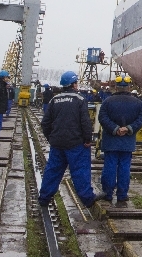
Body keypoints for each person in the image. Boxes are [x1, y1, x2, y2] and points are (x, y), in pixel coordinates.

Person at [38, 71, 97, 208]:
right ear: (73, 84)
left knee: (52, 171)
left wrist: (51, 138)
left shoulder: (54, 100)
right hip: (76, 144)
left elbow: (45, 123)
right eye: (76, 82)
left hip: (57, 144)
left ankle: (44, 198)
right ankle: (87, 199)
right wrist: (87, 139)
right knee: (80, 171)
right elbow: (85, 122)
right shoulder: (80, 100)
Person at [97, 75, 142, 207]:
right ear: (129, 87)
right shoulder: (137, 103)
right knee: (125, 168)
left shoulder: (108, 101)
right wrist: (128, 128)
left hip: (111, 141)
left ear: (116, 87)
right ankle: (122, 195)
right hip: (127, 141)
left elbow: (102, 117)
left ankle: (107, 194)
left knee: (110, 166)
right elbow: (141, 119)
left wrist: (115, 129)